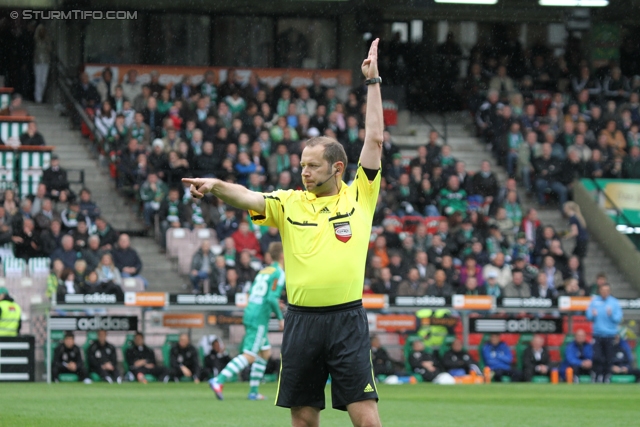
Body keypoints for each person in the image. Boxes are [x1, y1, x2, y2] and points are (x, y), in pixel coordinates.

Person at [185, 39, 383, 427]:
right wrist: (217, 186)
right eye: (301, 165)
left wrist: (373, 81)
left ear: (338, 168)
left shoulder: (361, 194)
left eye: (312, 166)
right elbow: (248, 197)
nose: (304, 172)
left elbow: (374, 139)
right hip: (301, 323)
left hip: (347, 322)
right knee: (304, 420)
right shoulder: (289, 202)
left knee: (367, 420)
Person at [211, 242, 285, 400]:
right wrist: (280, 318)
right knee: (250, 355)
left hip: (251, 310)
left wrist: (270, 303)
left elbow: (254, 292)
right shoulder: (279, 272)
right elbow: (272, 297)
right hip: (259, 317)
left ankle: (253, 391)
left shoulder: (263, 270)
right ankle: (219, 380)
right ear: (282, 255)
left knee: (265, 353)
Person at [587, 283, 623, 383]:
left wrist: (611, 315)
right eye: (603, 290)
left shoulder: (614, 302)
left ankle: (607, 376)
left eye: (607, 290)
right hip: (598, 334)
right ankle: (596, 375)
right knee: (597, 357)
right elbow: (588, 315)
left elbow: (618, 319)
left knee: (609, 357)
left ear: (609, 291)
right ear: (600, 291)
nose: (604, 292)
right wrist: (592, 315)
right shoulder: (595, 301)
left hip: (610, 334)